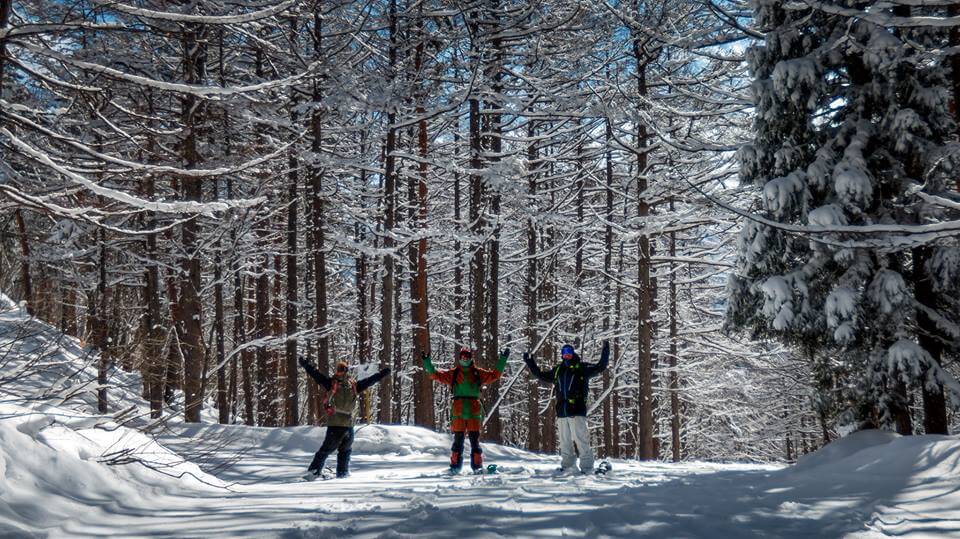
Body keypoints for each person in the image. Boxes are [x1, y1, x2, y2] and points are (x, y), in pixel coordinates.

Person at [523, 341, 609, 474]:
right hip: (562, 411)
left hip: (577, 410)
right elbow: (540, 374)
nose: (567, 355)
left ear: (573, 353)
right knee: (564, 442)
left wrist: (605, 350)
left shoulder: (582, 368)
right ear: (562, 355)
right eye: (564, 352)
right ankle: (568, 466)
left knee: (581, 440)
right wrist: (530, 362)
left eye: (569, 352)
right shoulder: (558, 370)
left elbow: (600, 366)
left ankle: (587, 467)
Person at [298, 358, 390, 480]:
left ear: (338, 371)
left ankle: (314, 472)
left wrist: (305, 364)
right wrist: (383, 373)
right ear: (347, 371)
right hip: (349, 426)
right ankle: (342, 474)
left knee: (325, 451)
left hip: (335, 425)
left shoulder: (331, 383)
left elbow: (316, 374)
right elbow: (371, 380)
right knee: (345, 451)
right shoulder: (354, 385)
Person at [423, 347, 508, 474]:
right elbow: (435, 375)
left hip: (473, 410)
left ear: (471, 357)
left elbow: (495, 375)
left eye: (467, 356)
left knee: (474, 440)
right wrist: (427, 362)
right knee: (458, 440)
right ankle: (455, 466)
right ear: (459, 357)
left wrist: (503, 359)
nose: (465, 358)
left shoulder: (477, 373)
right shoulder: (454, 373)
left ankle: (477, 466)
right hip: (459, 410)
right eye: (463, 356)